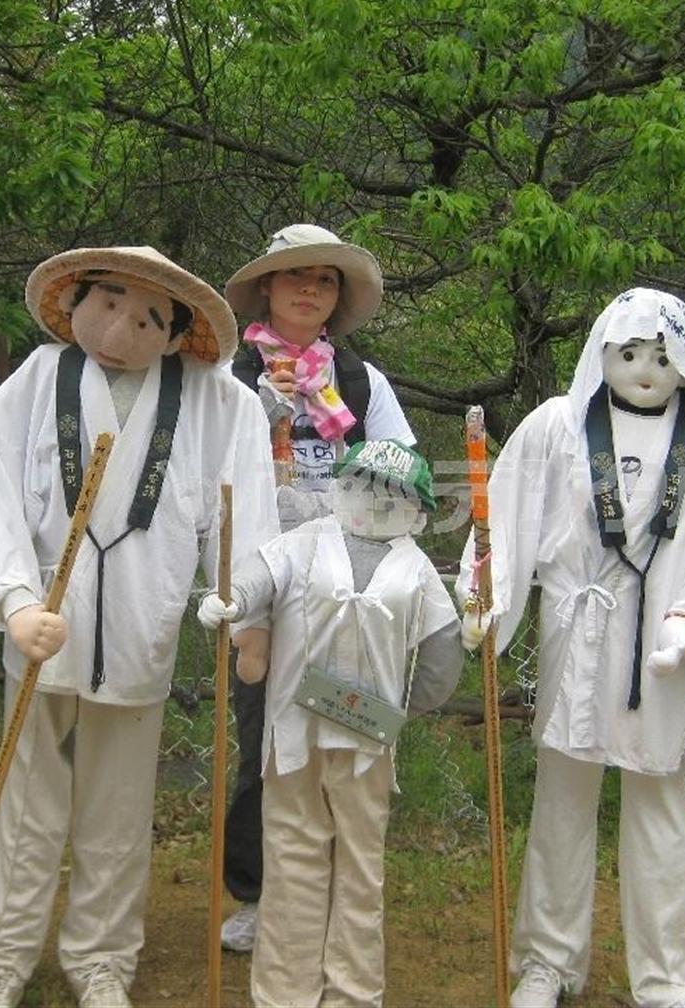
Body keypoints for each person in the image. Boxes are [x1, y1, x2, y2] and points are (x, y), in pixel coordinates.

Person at [0, 247, 277, 1008]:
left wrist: (248, 608)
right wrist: (15, 602)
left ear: (174, 334)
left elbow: (245, 510)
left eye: (145, 320)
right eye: (107, 303)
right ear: (75, 302)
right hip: (44, 626)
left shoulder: (217, 402)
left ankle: (102, 959)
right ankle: (3, 958)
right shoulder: (34, 383)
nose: (118, 330)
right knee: (28, 805)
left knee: (118, 812)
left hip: (142, 631)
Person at [459, 288, 685, 1008]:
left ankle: (667, 977)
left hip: (660, 640)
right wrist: (485, 598)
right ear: (602, 354)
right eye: (629, 354)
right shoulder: (558, 426)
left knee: (659, 799)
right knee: (562, 798)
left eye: (661, 355)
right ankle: (546, 960)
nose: (646, 370)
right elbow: (505, 523)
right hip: (578, 631)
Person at [198, 439, 463, 1007]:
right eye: (364, 485)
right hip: (294, 732)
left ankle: (353, 991)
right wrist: (230, 599)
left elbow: (441, 652)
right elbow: (258, 578)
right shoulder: (303, 542)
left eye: (393, 492)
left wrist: (404, 710)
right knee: (292, 855)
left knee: (361, 866)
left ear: (417, 509)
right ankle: (284, 990)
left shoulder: (416, 569)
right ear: (342, 486)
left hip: (369, 742)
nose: (376, 499)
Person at [218, 224, 418, 952]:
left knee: (348, 729)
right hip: (261, 586)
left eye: (326, 279)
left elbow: (401, 471)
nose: (310, 288)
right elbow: (209, 469)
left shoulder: (361, 383)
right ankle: (260, 892)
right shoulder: (226, 379)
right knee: (265, 739)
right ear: (267, 287)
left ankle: (340, 884)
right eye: (295, 275)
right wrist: (259, 412)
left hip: (344, 584)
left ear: (337, 298)